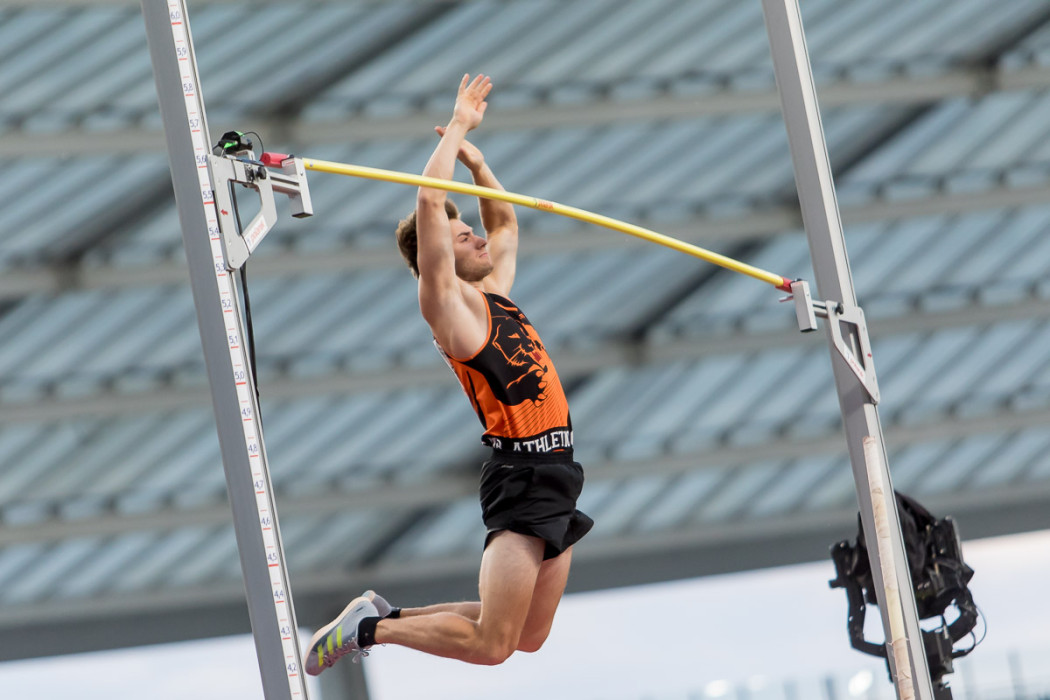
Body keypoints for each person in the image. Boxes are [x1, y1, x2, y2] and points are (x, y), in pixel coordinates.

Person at [305, 74, 592, 675]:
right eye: (464, 238)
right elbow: (430, 206)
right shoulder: (448, 309)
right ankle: (372, 630)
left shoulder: (494, 294)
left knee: (526, 636)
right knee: (493, 645)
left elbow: (506, 225)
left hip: (560, 470)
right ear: (438, 258)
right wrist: (458, 125)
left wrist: (479, 166)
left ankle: (380, 614)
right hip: (523, 475)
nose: (479, 239)